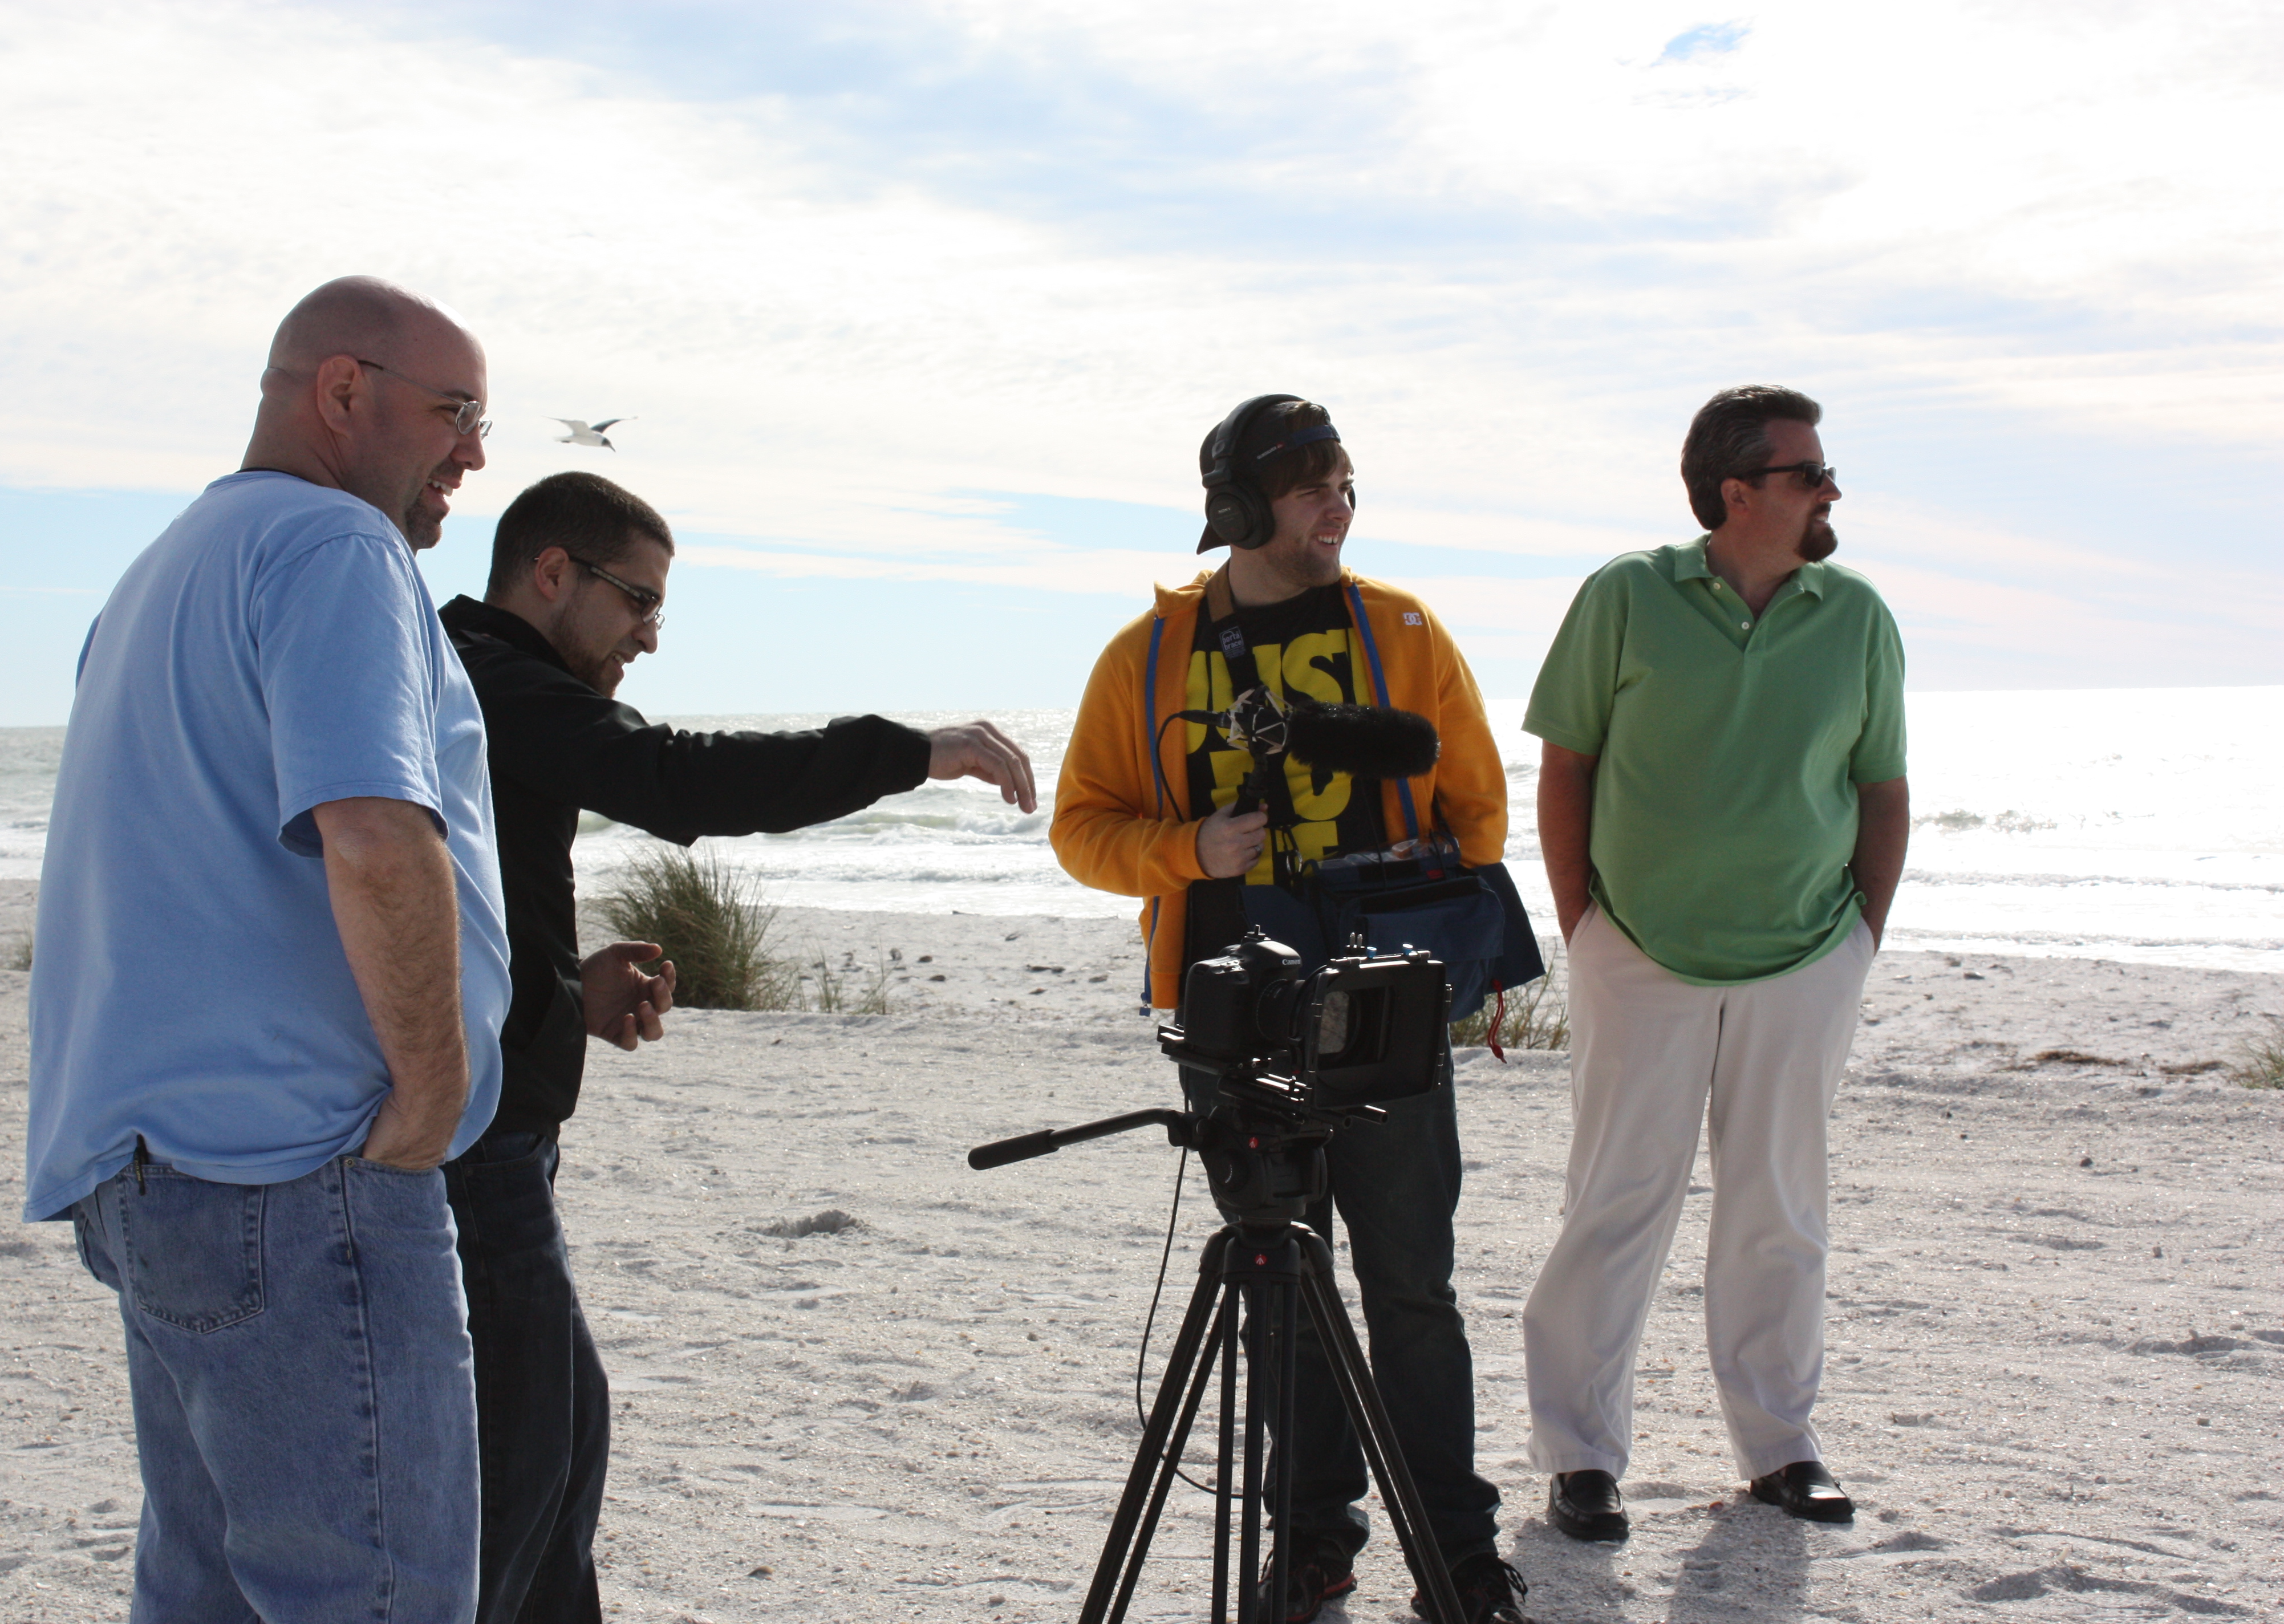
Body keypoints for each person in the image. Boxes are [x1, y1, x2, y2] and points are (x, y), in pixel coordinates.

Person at [436, 469, 1037, 1622]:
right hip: (477, 1139)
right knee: (519, 1473)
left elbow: (468, 907)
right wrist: (914, 750)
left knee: (560, 1444)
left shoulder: (492, 681)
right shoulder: (489, 674)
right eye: (637, 601)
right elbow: (678, 777)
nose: (651, 635)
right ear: (551, 574)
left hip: (505, 1123)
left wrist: (570, 987)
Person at [25, 276, 510, 1622]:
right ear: (343, 392)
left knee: (211, 1593)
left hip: (156, 1169)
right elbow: (371, 832)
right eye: (457, 411)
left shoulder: (156, 575)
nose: (474, 452)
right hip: (298, 1174)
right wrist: (430, 1096)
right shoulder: (334, 547)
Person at [1050, 396, 1530, 1624]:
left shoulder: (1403, 631)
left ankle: (1454, 1548)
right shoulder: (1144, 659)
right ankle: (1315, 1538)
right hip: (1234, 1017)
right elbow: (1082, 831)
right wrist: (1191, 847)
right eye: (1312, 480)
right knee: (1278, 1287)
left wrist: (1455, 965)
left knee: (1412, 1283)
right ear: (1242, 503)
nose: (1340, 501)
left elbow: (1475, 809)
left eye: (1347, 478)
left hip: (1384, 1009)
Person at [1518, 384, 1910, 1541]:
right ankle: (1581, 1456)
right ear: (1737, 492)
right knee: (1617, 1200)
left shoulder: (1859, 615)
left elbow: (1881, 791)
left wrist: (1858, 941)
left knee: (1780, 1208)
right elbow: (1566, 766)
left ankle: (1782, 1445)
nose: (1831, 489)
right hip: (1639, 953)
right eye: (1808, 472)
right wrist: (1587, 923)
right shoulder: (1626, 595)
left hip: (1803, 959)